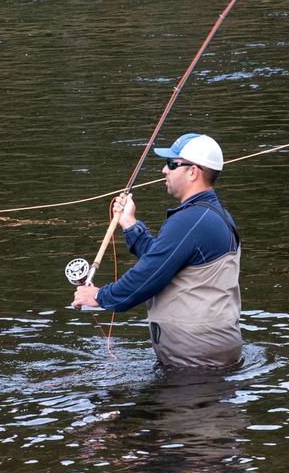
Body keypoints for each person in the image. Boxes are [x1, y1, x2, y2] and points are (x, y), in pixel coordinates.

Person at [71, 132, 242, 372]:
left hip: (196, 360)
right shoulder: (209, 215)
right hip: (208, 353)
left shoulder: (190, 221)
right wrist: (130, 224)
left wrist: (100, 296)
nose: (164, 170)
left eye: (172, 164)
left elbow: (148, 275)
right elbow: (164, 261)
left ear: (193, 172)